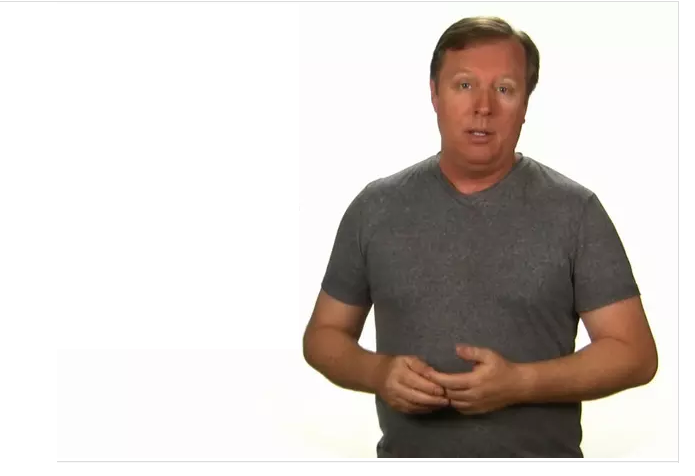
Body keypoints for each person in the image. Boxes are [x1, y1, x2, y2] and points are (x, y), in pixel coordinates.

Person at [302, 16, 658, 458]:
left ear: (526, 104)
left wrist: (522, 383)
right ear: (434, 93)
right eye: (465, 85)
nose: (483, 107)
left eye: (504, 89)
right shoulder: (375, 208)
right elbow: (324, 335)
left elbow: (634, 354)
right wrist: (376, 373)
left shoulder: (576, 212)